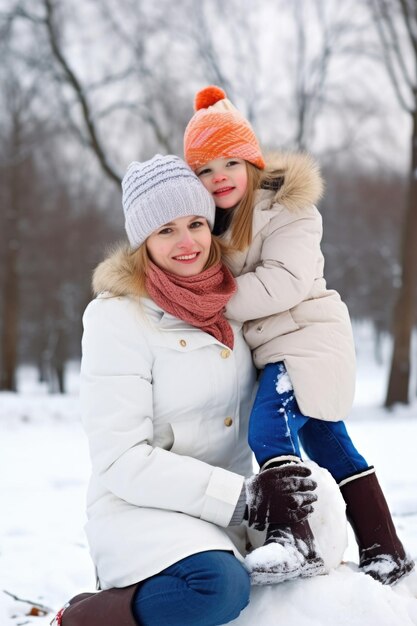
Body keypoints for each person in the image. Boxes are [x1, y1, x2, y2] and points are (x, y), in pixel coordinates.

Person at [52, 154, 319, 626]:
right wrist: (244, 498)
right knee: (220, 588)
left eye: (196, 223)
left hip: (227, 507)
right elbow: (120, 460)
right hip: (142, 509)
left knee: (322, 545)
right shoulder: (118, 318)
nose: (186, 242)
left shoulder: (233, 301)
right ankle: (86, 618)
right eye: (165, 230)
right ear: (143, 242)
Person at [183, 85, 415, 586]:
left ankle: (295, 538)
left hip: (308, 340)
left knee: (269, 429)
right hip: (274, 352)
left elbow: (283, 284)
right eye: (204, 169)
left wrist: (210, 300)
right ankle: (386, 549)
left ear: (252, 163)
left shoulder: (289, 210)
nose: (218, 176)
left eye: (229, 162)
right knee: (332, 447)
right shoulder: (211, 228)